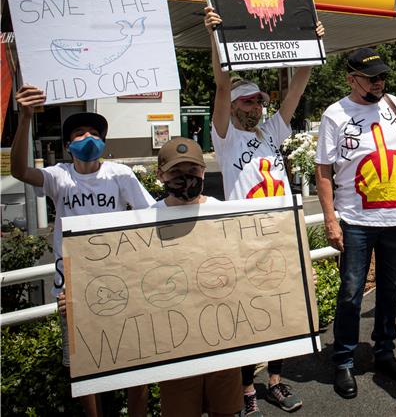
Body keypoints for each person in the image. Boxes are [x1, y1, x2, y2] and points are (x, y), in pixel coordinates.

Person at [205, 7, 323, 415]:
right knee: (246, 315)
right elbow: (221, 86)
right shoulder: (224, 137)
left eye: (260, 101)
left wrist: (311, 48)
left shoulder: (271, 129)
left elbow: (297, 90)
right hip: (243, 240)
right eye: (251, 101)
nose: (258, 106)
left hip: (279, 234)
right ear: (236, 105)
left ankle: (275, 381)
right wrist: (214, 37)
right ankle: (246, 388)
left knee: (281, 312)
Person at [11, 85, 154, 417]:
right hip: (72, 290)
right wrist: (25, 119)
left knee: (136, 358)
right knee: (85, 365)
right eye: (79, 132)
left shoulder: (121, 175)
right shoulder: (59, 177)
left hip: (123, 283)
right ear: (67, 145)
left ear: (104, 142)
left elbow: (150, 215)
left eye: (94, 132)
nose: (87, 137)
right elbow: (19, 171)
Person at [315, 47, 396, 399]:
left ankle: (384, 352)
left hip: (395, 218)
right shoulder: (335, 114)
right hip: (355, 220)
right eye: (372, 77)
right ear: (351, 79)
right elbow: (322, 171)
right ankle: (345, 359)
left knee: (391, 290)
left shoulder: (394, 105)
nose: (379, 83)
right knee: (351, 292)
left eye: (382, 77)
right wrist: (331, 220)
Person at [152, 137, 242, 417]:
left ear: (203, 171)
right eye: (177, 173)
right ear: (160, 176)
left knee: (226, 411)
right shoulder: (145, 220)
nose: (186, 179)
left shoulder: (224, 213)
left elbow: (249, 266)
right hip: (174, 344)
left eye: (192, 171)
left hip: (223, 337)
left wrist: (296, 278)